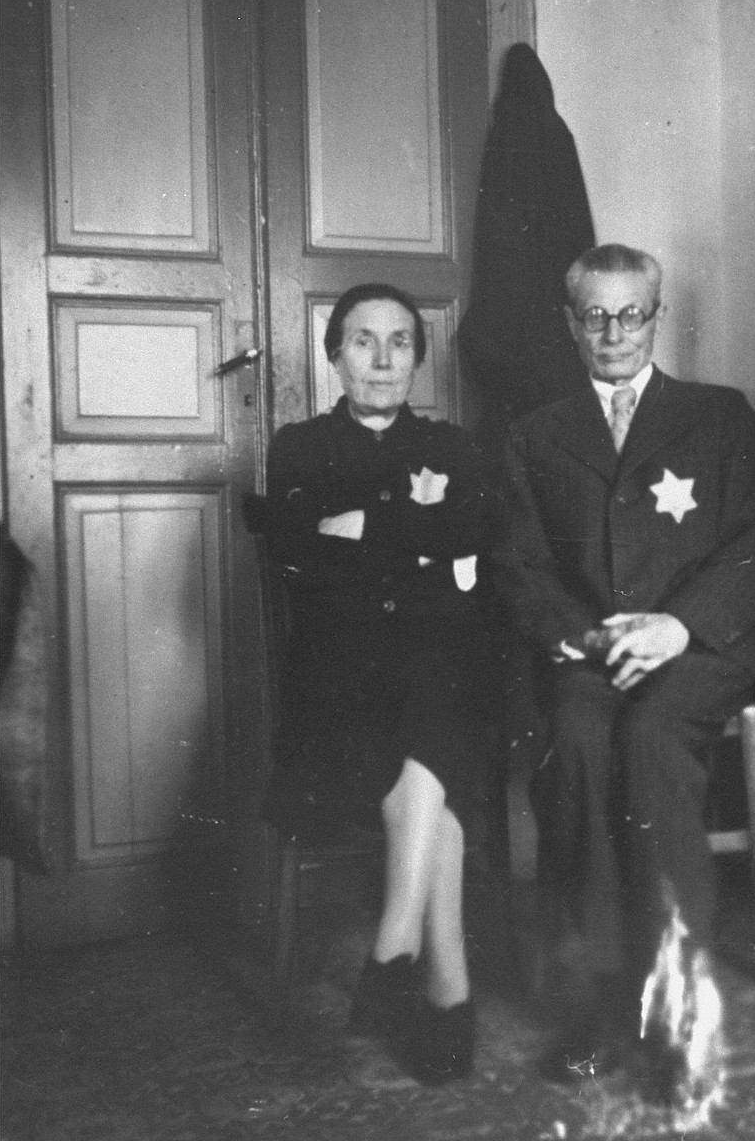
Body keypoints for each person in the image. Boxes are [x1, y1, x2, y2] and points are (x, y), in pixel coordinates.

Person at [494, 243, 755, 1077]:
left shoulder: (720, 415)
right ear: (569, 323)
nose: (613, 331)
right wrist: (589, 636)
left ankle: (679, 1009)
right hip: (591, 649)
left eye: (631, 313)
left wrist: (679, 628)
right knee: (581, 738)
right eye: (594, 314)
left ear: (658, 317)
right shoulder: (536, 434)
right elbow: (520, 566)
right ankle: (592, 1006)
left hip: (699, 648)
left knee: (654, 740)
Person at [260, 283, 501, 1083]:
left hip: (429, 666)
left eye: (400, 342)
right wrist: (418, 537)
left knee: (437, 679)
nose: (383, 359)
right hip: (336, 683)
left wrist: (366, 522)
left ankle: (401, 955)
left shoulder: (454, 446)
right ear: (333, 354)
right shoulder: (297, 445)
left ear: (418, 359)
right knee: (440, 739)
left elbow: (474, 536)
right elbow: (303, 555)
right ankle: (443, 985)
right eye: (364, 341)